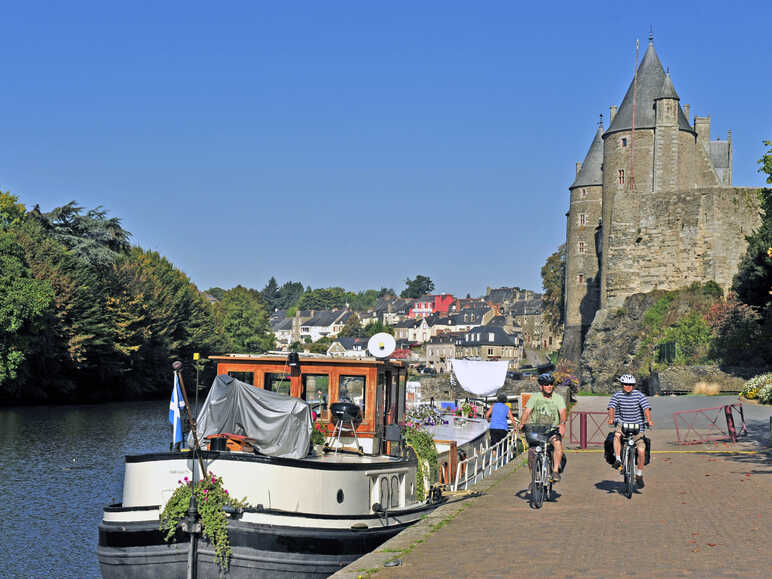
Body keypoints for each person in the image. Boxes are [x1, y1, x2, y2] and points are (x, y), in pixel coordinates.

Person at [515, 372, 566, 483]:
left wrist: (562, 424)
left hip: (552, 430)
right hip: (537, 430)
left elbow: (562, 412)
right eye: (546, 384)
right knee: (532, 453)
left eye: (551, 384)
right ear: (541, 386)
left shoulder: (558, 398)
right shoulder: (535, 398)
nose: (549, 386)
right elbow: (527, 411)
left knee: (557, 444)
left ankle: (555, 471)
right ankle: (534, 480)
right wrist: (522, 423)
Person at [607, 374, 654, 488]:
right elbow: (611, 407)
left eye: (630, 385)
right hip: (622, 424)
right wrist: (611, 418)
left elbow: (646, 408)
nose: (628, 387)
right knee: (617, 435)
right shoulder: (617, 395)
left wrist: (649, 420)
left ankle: (639, 473)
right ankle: (618, 459)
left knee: (642, 450)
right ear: (622, 385)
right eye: (625, 384)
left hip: (638, 427)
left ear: (633, 385)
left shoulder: (639, 395)